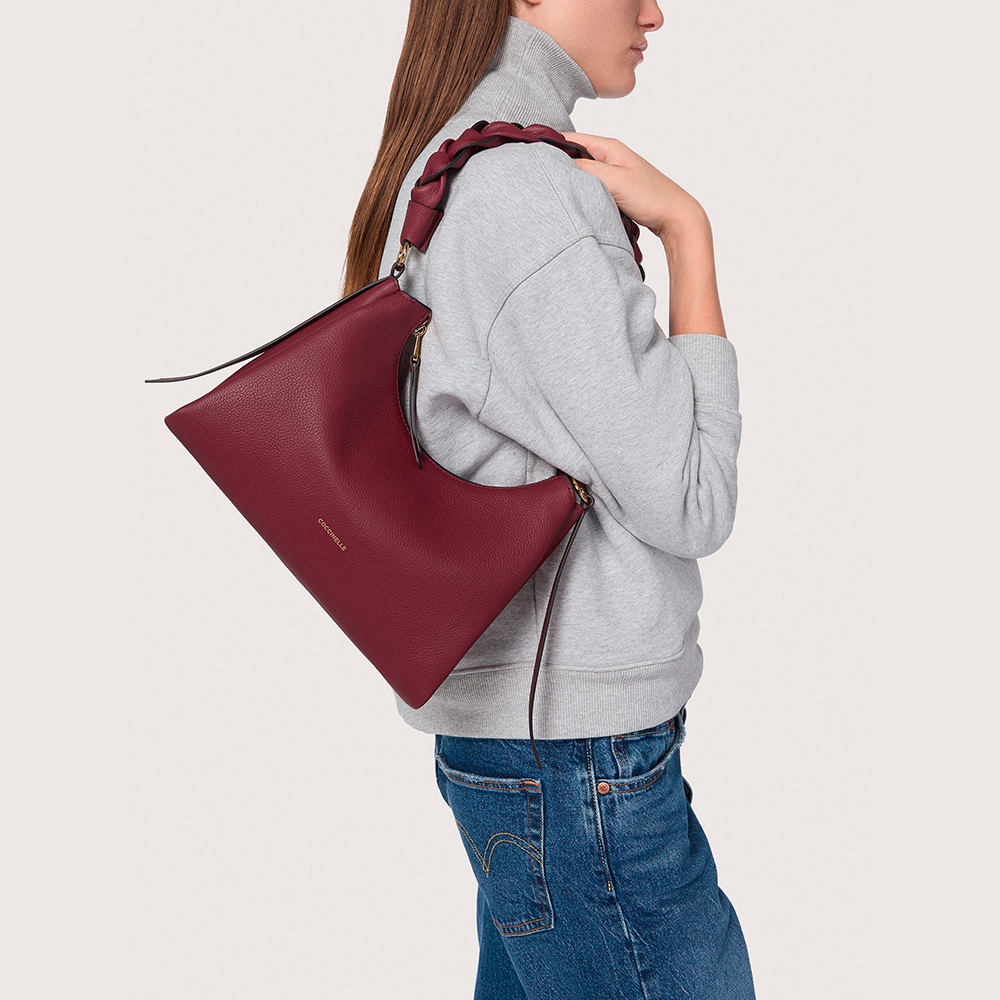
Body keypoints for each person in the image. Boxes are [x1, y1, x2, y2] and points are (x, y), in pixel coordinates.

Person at [343, 2, 755, 997]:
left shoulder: (458, 161)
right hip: (574, 756)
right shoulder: (522, 190)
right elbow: (691, 498)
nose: (655, 11)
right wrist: (690, 234)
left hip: (537, 745)